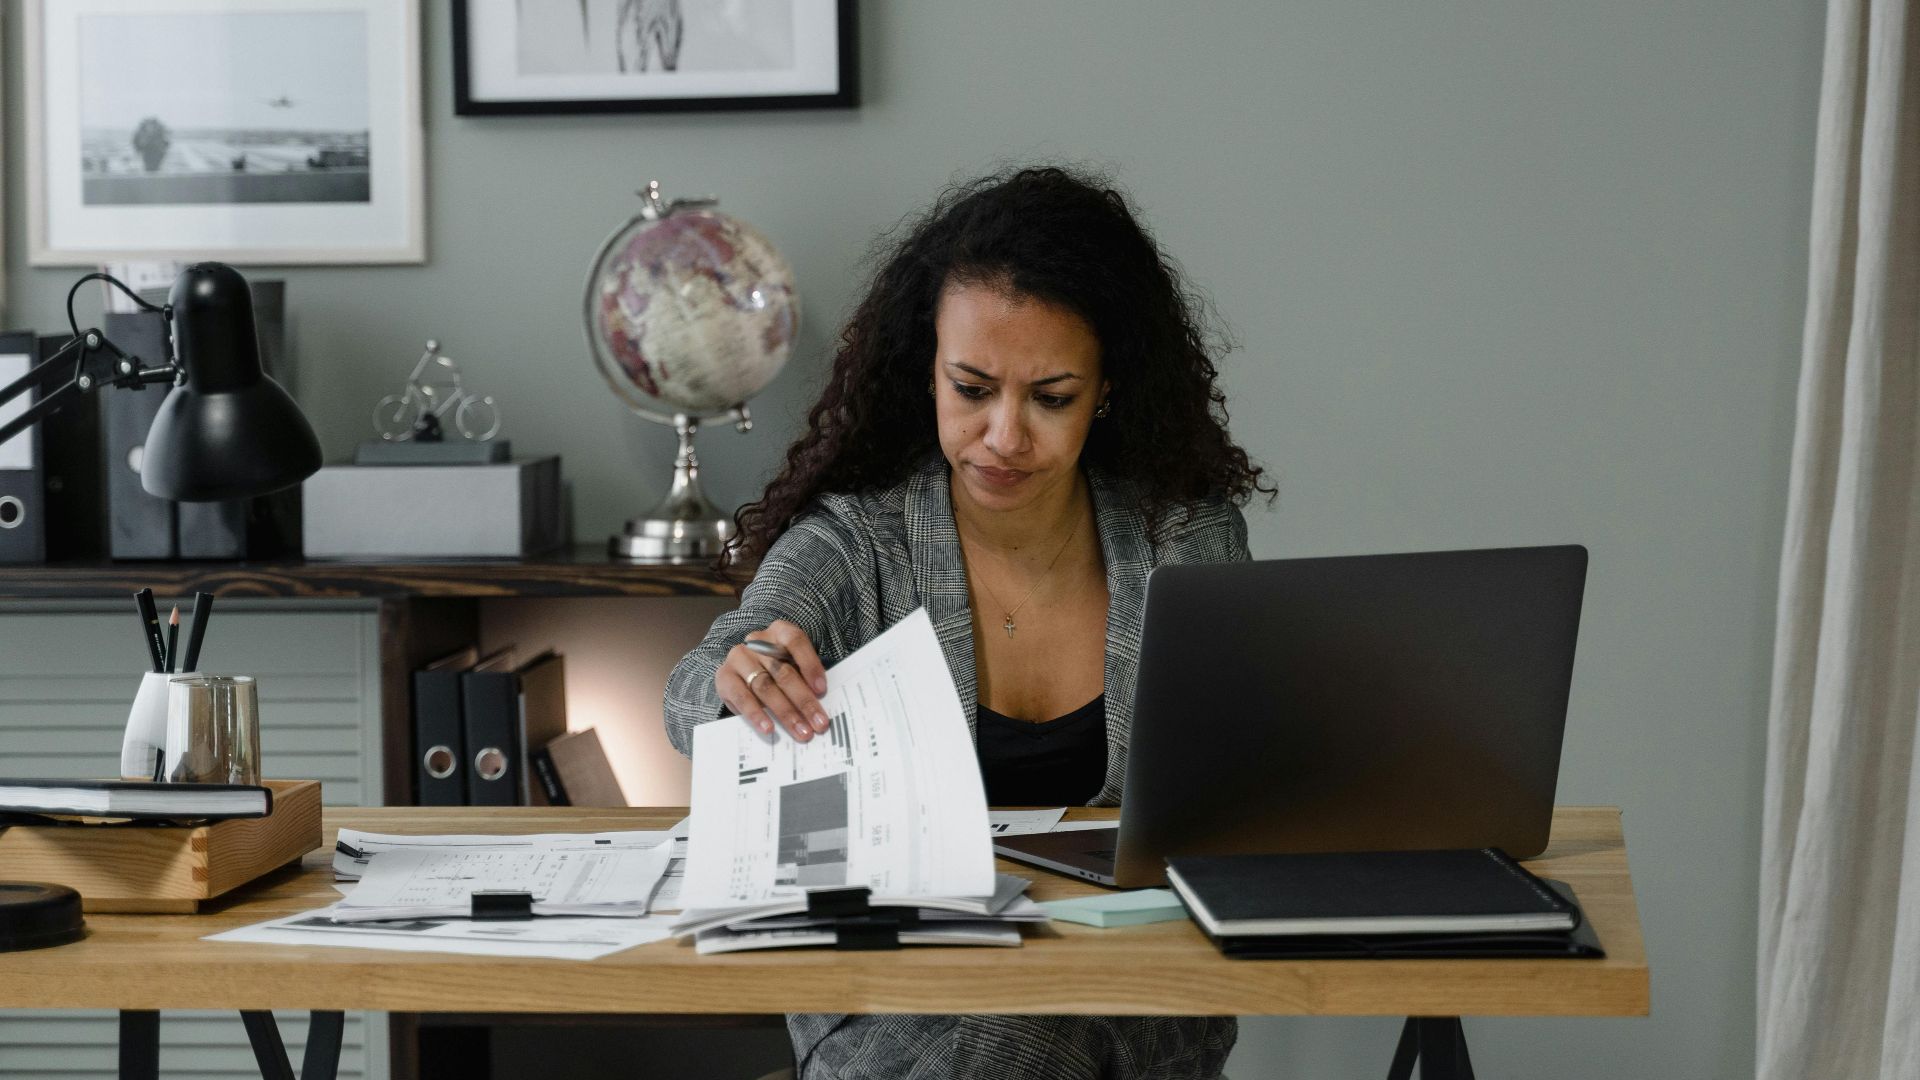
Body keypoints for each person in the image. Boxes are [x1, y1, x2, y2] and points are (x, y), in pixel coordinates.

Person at [663, 165, 1272, 1080]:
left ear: (1106, 388)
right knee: (1005, 1046)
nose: (1005, 436)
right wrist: (741, 677)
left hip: (1134, 985)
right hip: (897, 988)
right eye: (973, 388)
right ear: (928, 372)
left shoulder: (1179, 535)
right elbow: (692, 690)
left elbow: (1255, 765)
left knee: (1032, 1036)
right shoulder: (860, 539)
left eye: (1052, 397)